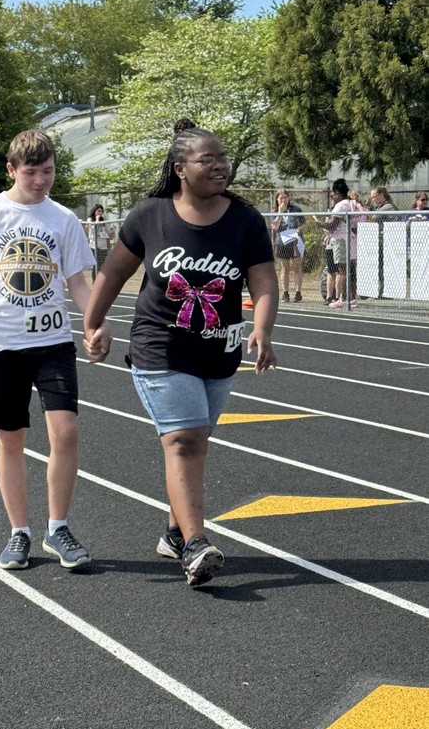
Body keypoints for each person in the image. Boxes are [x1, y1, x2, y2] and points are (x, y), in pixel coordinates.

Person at [83, 119, 278, 588]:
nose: (220, 166)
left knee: (196, 443)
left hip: (218, 351)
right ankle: (195, 544)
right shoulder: (149, 215)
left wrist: (263, 330)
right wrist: (93, 321)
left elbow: (264, 281)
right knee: (184, 440)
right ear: (180, 169)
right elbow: (112, 274)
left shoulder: (245, 220)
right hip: (159, 345)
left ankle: (174, 531)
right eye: (207, 159)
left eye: (223, 158)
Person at [0, 129, 110, 571]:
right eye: (32, 172)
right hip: (2, 345)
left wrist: (95, 324)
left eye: (48, 172)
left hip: (53, 343)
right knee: (10, 440)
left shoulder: (64, 220)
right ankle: (20, 533)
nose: (40, 181)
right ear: (11, 169)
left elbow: (77, 281)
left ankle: (59, 527)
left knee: (66, 433)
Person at [313, 179, 366, 309]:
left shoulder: (340, 205)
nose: (332, 196)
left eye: (333, 194)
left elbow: (332, 226)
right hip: (350, 239)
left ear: (339, 194)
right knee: (349, 270)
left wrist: (319, 224)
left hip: (341, 240)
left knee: (341, 270)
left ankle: (342, 298)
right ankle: (351, 298)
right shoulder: (349, 203)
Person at [270, 189, 306, 303]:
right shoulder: (274, 212)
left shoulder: (296, 209)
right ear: (277, 199)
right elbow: (274, 227)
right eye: (281, 198)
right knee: (284, 268)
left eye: (285, 197)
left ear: (289, 198)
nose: (283, 200)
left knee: (297, 267)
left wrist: (298, 230)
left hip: (296, 242)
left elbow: (304, 225)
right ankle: (285, 293)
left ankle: (298, 292)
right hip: (281, 242)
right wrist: (280, 213)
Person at [86, 204, 114, 282]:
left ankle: (100, 282)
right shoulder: (90, 220)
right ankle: (95, 282)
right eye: (98, 211)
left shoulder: (104, 220)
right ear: (94, 212)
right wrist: (97, 220)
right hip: (94, 246)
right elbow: (94, 230)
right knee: (96, 265)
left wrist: (105, 222)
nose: (100, 213)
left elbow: (109, 232)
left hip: (103, 245)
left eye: (101, 211)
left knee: (102, 265)